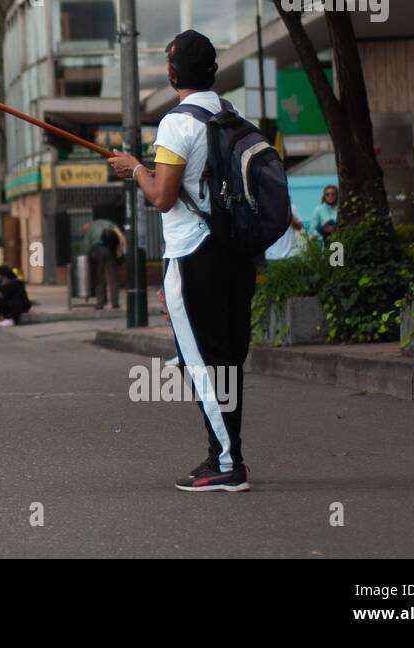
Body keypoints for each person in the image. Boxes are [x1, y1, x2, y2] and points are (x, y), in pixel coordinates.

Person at [106, 30, 256, 493]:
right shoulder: (231, 114)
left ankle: (227, 463)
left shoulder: (177, 123)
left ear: (172, 73)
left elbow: (163, 196)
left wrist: (135, 169)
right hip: (235, 252)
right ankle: (224, 454)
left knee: (202, 363)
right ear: (213, 70)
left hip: (194, 254)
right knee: (226, 360)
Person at [88, 219, 126, 309]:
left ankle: (100, 303)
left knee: (99, 277)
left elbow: (87, 245)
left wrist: (88, 255)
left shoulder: (91, 229)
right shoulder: (115, 229)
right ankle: (115, 302)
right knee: (113, 277)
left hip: (97, 251)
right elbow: (120, 245)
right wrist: (120, 259)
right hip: (110, 251)